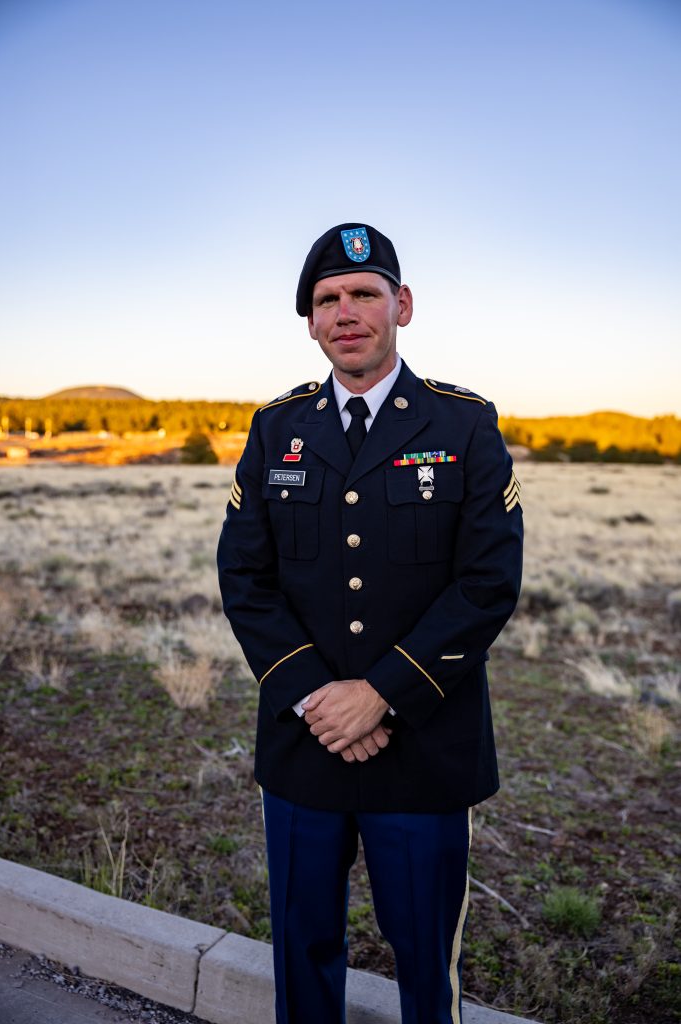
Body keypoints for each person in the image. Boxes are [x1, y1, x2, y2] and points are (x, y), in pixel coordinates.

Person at [217, 223, 523, 1024]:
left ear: (402, 306)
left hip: (423, 748)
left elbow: (487, 581)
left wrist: (380, 694)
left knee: (427, 964)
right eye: (326, 300)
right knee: (302, 948)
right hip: (304, 743)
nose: (345, 311)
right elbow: (244, 578)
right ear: (311, 322)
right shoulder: (276, 429)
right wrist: (320, 697)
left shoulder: (462, 425)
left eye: (363, 293)